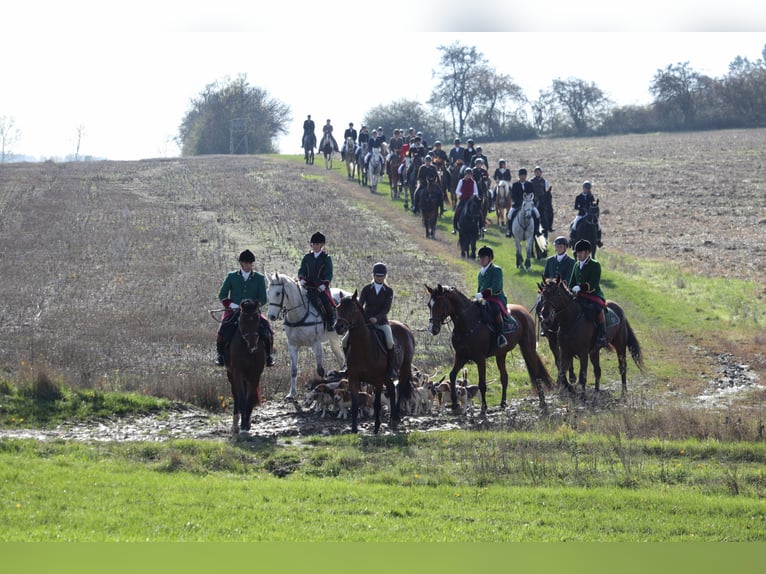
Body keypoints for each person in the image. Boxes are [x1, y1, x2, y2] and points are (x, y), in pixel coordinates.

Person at [215, 249, 275, 367]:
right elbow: (222, 295)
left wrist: (253, 306)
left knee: (267, 329)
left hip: (252, 312)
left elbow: (263, 298)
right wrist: (232, 305)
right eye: (246, 263)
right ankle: (220, 356)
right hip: (234, 310)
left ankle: (268, 356)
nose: (249, 266)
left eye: (250, 263)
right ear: (241, 263)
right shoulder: (231, 276)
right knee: (222, 330)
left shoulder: (259, 278)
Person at [358, 262, 397, 380]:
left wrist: (377, 318)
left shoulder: (388, 291)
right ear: (373, 275)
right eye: (377, 276)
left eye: (381, 276)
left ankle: (391, 367)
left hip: (381, 321)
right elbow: (360, 305)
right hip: (366, 321)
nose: (379, 278)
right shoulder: (366, 289)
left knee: (390, 341)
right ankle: (346, 364)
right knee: (345, 340)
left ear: (385, 276)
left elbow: (386, 308)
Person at [569, 239, 608, 349]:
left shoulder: (595, 265)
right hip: (578, 295)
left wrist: (581, 287)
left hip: (593, 295)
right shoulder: (576, 265)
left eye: (580, 252)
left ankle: (602, 335)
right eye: (577, 252)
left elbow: (594, 283)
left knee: (597, 309)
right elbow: (571, 282)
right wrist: (572, 289)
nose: (578, 254)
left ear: (587, 252)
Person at [298, 231, 336, 330]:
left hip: (320, 287)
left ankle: (330, 322)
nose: (315, 246)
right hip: (307, 285)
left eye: (317, 244)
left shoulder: (326, 258)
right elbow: (302, 269)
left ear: (322, 245)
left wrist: (324, 285)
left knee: (326, 302)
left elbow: (329, 273)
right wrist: (301, 278)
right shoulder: (307, 257)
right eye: (313, 244)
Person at [476, 246, 509, 348]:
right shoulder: (480, 273)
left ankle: (500, 336)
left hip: (497, 298)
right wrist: (478, 296)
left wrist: (482, 294)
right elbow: (480, 288)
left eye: (483, 257)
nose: (481, 260)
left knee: (494, 309)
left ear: (489, 258)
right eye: (480, 257)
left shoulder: (496, 270)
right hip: (484, 299)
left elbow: (496, 288)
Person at [506, 168, 542, 239]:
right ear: (519, 176)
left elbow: (533, 194)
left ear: (526, 176)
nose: (523, 177)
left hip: (528, 204)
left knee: (537, 214)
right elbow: (513, 195)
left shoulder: (530, 184)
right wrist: (520, 201)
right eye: (521, 175)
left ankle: (537, 230)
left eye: (524, 175)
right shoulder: (515, 185)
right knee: (510, 215)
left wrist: (530, 201)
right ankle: (509, 231)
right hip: (517, 204)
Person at [571, 181, 602, 246]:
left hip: (590, 215)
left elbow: (593, 204)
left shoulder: (591, 196)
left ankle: (598, 240)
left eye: (588, 188)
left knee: (598, 226)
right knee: (574, 224)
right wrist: (582, 208)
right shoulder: (578, 197)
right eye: (586, 188)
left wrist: (591, 209)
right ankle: (572, 239)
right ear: (583, 188)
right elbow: (576, 207)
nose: (587, 190)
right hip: (581, 214)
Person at [452, 167, 479, 234]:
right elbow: (457, 191)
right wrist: (461, 194)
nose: (468, 176)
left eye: (470, 174)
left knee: (478, 213)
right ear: (465, 174)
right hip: (463, 199)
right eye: (467, 174)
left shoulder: (473, 182)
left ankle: (480, 228)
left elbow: (476, 192)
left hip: (471, 200)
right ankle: (455, 228)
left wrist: (472, 196)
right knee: (457, 212)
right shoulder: (461, 181)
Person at [530, 166, 555, 234]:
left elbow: (547, 191)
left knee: (550, 211)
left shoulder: (544, 181)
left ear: (541, 173)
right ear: (534, 173)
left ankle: (549, 226)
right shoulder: (531, 181)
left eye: (539, 172)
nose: (537, 173)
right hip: (533, 200)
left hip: (542, 200)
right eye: (536, 172)